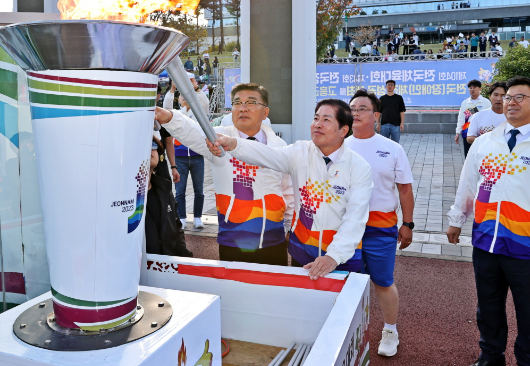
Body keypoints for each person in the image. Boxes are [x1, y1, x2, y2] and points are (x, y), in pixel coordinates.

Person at [447, 76, 530, 366]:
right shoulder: (485, 142)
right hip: (485, 243)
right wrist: (456, 218)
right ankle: (490, 357)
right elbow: (468, 185)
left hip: (526, 246)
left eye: (520, 97)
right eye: (508, 97)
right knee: (489, 309)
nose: (511, 102)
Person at [206, 99, 373, 279]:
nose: (317, 124)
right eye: (316, 118)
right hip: (302, 251)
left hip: (342, 258)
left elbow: (355, 217)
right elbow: (266, 154)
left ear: (343, 130)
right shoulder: (300, 152)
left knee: (341, 305)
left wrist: (334, 256)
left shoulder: (358, 166)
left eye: (326, 120)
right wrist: (233, 144)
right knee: (300, 303)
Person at [157, 83, 294, 265]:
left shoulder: (279, 146)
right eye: (237, 103)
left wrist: (290, 228)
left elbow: (289, 192)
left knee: (273, 291)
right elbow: (193, 132)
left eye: (251, 103)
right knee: (234, 291)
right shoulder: (218, 139)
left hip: (272, 239)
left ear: (265, 112)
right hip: (233, 239)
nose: (243, 108)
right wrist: (169, 118)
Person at [346, 89, 415, 358]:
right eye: (352, 108)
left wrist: (408, 223)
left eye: (362, 108)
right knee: (348, 280)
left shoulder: (392, 148)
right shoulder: (338, 146)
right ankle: (348, 328)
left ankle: (390, 329)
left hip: (381, 227)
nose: (355, 112)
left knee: (383, 280)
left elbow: (405, 190)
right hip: (346, 227)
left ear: (375, 115)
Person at [163, 82, 209, 229]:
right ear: (179, 98)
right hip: (180, 157)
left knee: (199, 190)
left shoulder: (198, 114)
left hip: (197, 157)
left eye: (188, 95)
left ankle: (197, 218)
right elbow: (166, 107)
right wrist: (172, 89)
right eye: (182, 95)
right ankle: (181, 217)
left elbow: (206, 103)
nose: (185, 97)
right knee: (180, 190)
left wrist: (195, 87)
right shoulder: (177, 114)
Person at [145, 137, 193, 257]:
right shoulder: (121, 196)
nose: (149, 149)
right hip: (139, 268)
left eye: (153, 146)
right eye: (142, 146)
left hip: (167, 266)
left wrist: (184, 258)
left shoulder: (164, 189)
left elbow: (176, 228)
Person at [455, 79, 491, 158]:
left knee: (481, 155)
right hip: (467, 131)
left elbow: (490, 117)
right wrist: (458, 132)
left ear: (480, 88)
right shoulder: (465, 103)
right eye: (470, 88)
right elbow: (461, 118)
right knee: (468, 155)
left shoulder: (486, 102)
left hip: (481, 132)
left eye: (474, 87)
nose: (472, 89)